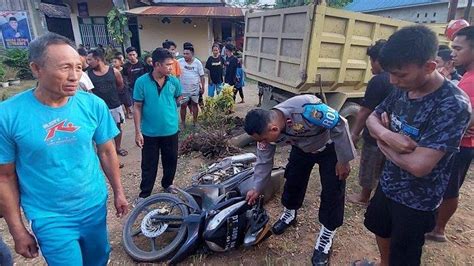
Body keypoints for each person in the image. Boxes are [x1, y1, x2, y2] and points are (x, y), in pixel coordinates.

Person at [0, 32, 128, 265]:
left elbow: (107, 151)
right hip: (49, 215)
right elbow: (4, 177)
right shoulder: (8, 115)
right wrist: (17, 230)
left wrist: (118, 192)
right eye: (64, 68)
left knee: (99, 259)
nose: (74, 76)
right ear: (37, 69)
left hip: (93, 205)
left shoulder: (93, 105)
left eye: (78, 67)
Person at [362, 25, 471, 266]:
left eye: (400, 74)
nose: (393, 81)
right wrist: (390, 137)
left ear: (430, 66)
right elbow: (372, 118)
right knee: (380, 228)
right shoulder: (403, 88)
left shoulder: (452, 105)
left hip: (417, 200)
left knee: (405, 255)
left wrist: (382, 143)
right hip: (388, 184)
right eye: (391, 73)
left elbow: (420, 166)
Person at [243, 95, 356, 265]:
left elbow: (340, 123)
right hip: (301, 148)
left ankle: (327, 235)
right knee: (293, 182)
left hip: (329, 148)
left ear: (274, 129)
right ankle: (289, 214)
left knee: (333, 191)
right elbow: (263, 161)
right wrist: (256, 188)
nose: (263, 143)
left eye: (264, 139)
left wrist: (343, 160)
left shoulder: (308, 110)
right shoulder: (267, 132)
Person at [426, 26, 474, 243]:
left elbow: (463, 116)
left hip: (460, 144)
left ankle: (438, 229)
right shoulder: (467, 76)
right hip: (459, 142)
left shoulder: (471, 81)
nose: (452, 52)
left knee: (450, 188)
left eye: (458, 48)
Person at [346, 40, 395, 205]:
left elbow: (365, 111)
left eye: (371, 62)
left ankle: (364, 196)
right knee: (384, 166)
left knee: (370, 164)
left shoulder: (378, 80)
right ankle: (380, 194)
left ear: (377, 60)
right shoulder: (397, 78)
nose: (371, 67)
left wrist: (354, 133)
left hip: (375, 134)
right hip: (392, 133)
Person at [132, 48, 182, 205]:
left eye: (171, 64)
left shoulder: (174, 81)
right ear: (157, 64)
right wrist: (137, 131)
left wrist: (171, 108)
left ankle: (168, 184)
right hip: (149, 132)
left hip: (171, 130)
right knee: (149, 163)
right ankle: (145, 193)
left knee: (171, 159)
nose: (170, 68)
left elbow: (178, 97)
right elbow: (137, 107)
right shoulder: (141, 82)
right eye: (167, 65)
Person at [87, 49, 128, 159]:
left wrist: (115, 97)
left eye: (90, 60)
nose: (88, 62)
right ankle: (104, 151)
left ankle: (117, 148)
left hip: (114, 105)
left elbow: (120, 85)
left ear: (98, 59)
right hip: (97, 109)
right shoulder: (88, 74)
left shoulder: (114, 72)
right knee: (100, 130)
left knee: (117, 127)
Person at [178, 45, 205, 128]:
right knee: (183, 106)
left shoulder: (197, 63)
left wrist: (203, 87)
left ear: (192, 54)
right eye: (184, 53)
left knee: (195, 105)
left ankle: (195, 122)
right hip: (183, 90)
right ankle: (183, 123)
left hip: (195, 89)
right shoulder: (179, 62)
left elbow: (202, 76)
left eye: (187, 54)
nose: (185, 55)